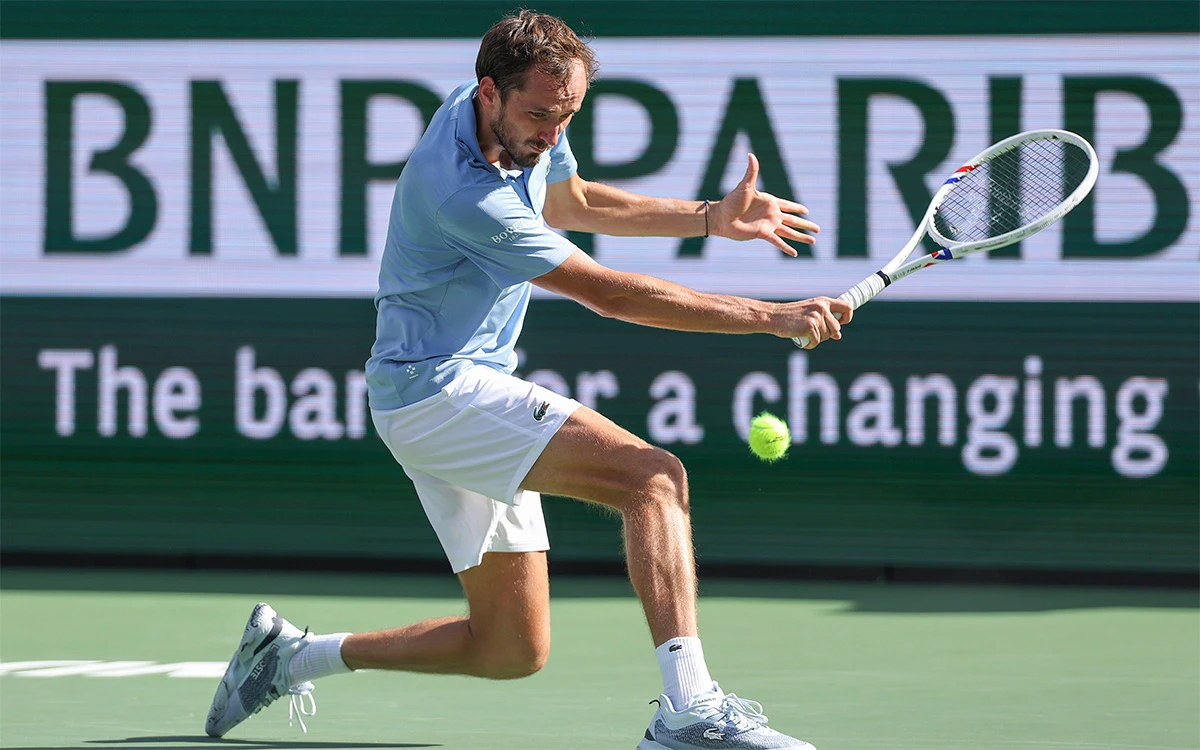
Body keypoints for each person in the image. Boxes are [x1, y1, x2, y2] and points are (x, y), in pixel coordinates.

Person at [205, 10, 851, 750]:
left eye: (567, 115)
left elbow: (573, 201)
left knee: (510, 648)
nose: (552, 132)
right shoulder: (462, 191)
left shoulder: (516, 111)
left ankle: (291, 657)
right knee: (653, 478)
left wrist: (707, 217)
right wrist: (770, 316)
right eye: (541, 115)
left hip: (441, 395)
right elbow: (609, 294)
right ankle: (689, 711)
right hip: (436, 392)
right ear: (489, 92)